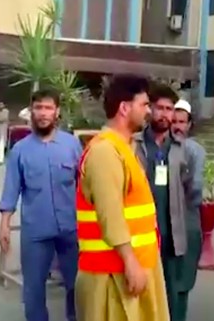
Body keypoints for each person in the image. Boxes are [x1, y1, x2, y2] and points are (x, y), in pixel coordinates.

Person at [74, 75, 169, 321]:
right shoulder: (105, 151)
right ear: (124, 108)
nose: (148, 111)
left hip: (130, 269)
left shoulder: (124, 148)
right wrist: (130, 262)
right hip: (112, 276)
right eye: (144, 104)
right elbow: (111, 214)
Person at [0, 89, 83, 321]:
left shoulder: (72, 145)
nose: (43, 113)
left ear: (57, 112)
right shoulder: (20, 151)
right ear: (31, 112)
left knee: (76, 287)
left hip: (71, 229)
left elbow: (85, 186)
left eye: (48, 108)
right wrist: (4, 225)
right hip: (36, 231)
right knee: (33, 291)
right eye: (39, 108)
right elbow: (11, 190)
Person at [133, 90, 203, 321]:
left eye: (169, 109)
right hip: (143, 235)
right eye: (160, 108)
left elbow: (194, 191)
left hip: (174, 236)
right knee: (143, 295)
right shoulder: (135, 145)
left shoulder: (184, 150)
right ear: (150, 109)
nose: (164, 114)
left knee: (175, 294)